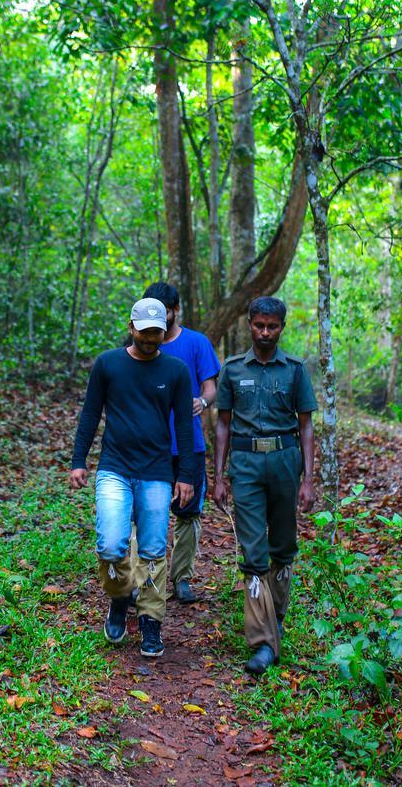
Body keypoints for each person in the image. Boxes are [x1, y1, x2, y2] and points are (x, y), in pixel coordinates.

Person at [70, 297, 194, 658]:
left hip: (156, 471)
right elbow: (91, 413)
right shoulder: (109, 364)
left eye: (157, 332)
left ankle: (151, 621)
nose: (150, 338)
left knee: (154, 549)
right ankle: (121, 596)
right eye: (144, 332)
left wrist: (185, 474)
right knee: (111, 544)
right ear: (131, 327)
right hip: (115, 468)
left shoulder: (175, 371)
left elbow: (184, 426)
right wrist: (79, 460)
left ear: (163, 330)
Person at [213, 296, 317, 675]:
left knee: (284, 546)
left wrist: (308, 479)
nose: (265, 332)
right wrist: (218, 476)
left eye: (272, 326)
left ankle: (278, 618)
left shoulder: (294, 370)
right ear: (250, 325)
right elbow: (222, 423)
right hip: (246, 465)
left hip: (285, 461)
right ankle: (262, 642)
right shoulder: (233, 369)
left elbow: (305, 424)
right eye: (259, 325)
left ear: (282, 328)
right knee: (254, 551)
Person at [140, 282, 221, 603]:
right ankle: (145, 579)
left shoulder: (196, 343)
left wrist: (203, 401)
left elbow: (211, 387)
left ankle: (182, 578)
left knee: (188, 513)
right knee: (146, 513)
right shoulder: (143, 344)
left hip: (189, 445)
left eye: (164, 312)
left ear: (175, 310)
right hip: (149, 446)